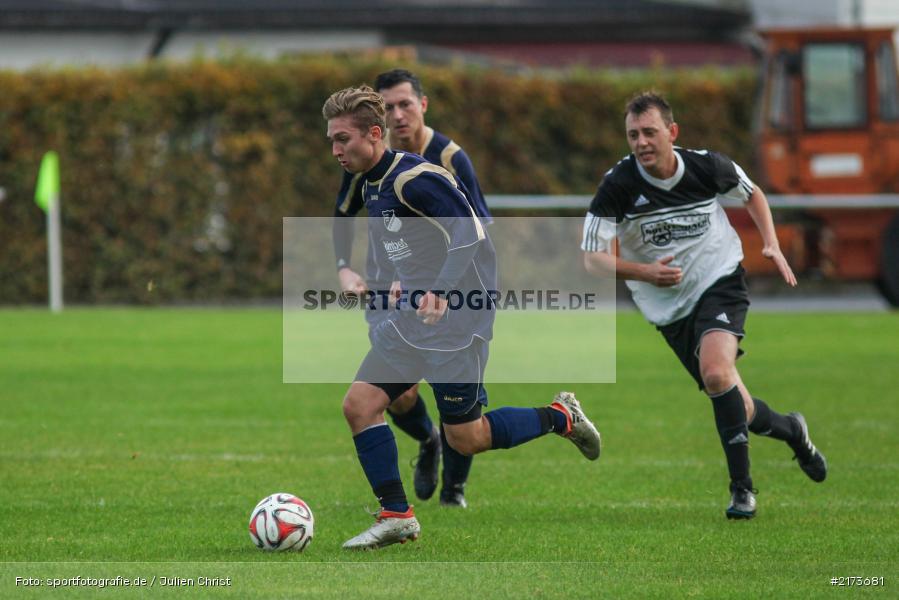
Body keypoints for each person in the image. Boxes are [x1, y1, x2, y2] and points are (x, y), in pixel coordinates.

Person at [323, 85, 600, 549]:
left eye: (343, 139)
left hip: (457, 323)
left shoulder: (415, 178)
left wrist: (439, 291)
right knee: (359, 405)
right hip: (412, 320)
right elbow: (407, 243)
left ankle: (559, 417)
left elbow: (469, 235)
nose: (335, 150)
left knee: (467, 438)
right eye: (331, 140)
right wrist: (397, 279)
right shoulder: (370, 181)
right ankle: (397, 514)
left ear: (374, 134)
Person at [581, 92, 827, 520]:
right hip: (669, 309)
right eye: (633, 135)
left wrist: (769, 242)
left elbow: (752, 194)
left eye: (650, 132)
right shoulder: (618, 185)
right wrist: (644, 272)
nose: (641, 142)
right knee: (739, 404)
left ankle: (742, 490)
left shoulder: (707, 166)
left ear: (672, 133)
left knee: (716, 373)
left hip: (719, 281)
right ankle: (793, 431)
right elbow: (591, 259)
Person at [332, 69, 491, 509]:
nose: (398, 114)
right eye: (389, 105)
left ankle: (453, 490)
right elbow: (343, 215)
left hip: (444, 293)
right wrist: (345, 268)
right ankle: (428, 441)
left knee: (455, 401)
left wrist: (439, 285)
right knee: (396, 396)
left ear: (423, 105)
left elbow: (476, 230)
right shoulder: (360, 157)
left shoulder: (448, 158)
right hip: (387, 291)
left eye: (406, 104)